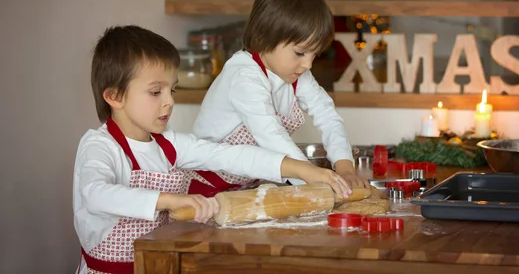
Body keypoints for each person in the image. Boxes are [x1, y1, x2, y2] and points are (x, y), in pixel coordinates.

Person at [73, 25, 350, 274]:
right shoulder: (100, 146)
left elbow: (233, 156)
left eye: (173, 91)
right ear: (114, 96)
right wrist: (171, 200)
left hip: (159, 266)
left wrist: (302, 170)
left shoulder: (170, 144)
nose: (169, 102)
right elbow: (96, 194)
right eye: (156, 92)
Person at [189, 0, 370, 197]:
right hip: (204, 188)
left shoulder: (297, 74)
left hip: (244, 187)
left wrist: (345, 169)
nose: (308, 64)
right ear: (264, 35)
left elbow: (328, 116)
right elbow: (271, 135)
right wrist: (312, 179)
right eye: (300, 53)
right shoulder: (244, 77)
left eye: (315, 54)